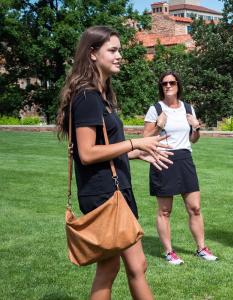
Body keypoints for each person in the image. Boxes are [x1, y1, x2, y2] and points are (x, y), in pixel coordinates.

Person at [56, 26, 172, 300]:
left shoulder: (99, 96)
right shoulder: (87, 97)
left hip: (111, 190)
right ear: (93, 54)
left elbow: (104, 150)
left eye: (119, 50)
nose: (119, 55)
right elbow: (86, 153)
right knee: (136, 264)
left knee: (110, 267)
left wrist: (134, 153)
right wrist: (135, 143)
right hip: (105, 194)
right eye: (113, 50)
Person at [143, 71, 217, 264]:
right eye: (164, 83)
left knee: (195, 207)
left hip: (185, 158)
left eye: (172, 83)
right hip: (164, 157)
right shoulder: (155, 109)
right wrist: (159, 126)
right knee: (165, 211)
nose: (168, 86)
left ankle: (201, 248)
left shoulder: (188, 108)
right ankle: (169, 252)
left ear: (178, 85)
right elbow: (144, 139)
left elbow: (194, 139)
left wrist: (197, 127)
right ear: (161, 87)